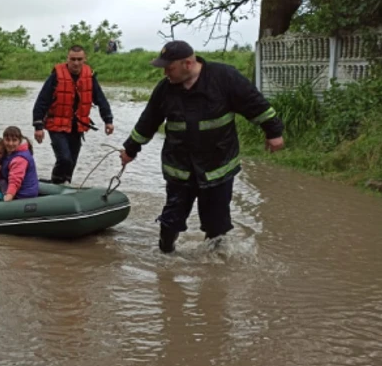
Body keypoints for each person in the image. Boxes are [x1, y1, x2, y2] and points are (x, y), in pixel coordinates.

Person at [119, 40, 285, 253]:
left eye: (169, 68)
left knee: (217, 223)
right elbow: (148, 121)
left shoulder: (225, 78)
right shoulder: (165, 89)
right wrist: (130, 150)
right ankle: (165, 258)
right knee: (171, 220)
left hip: (218, 166)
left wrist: (274, 132)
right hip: (179, 168)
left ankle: (213, 268)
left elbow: (255, 104)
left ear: (188, 63)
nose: (165, 74)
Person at [32, 45, 115, 184]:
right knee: (64, 159)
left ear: (84, 59)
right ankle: (56, 183)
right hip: (56, 124)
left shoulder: (89, 76)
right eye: (73, 59)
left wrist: (108, 120)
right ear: (67, 59)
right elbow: (42, 101)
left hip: (77, 126)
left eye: (79, 59)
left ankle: (64, 184)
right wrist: (38, 126)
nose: (76, 63)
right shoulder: (56, 76)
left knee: (72, 162)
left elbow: (101, 99)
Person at [0, 126, 39, 201]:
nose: (10, 143)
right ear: (3, 140)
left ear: (19, 141)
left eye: (14, 140)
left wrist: (8, 198)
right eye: (7, 140)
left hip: (23, 195)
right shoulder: (9, 152)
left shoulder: (19, 159)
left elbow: (15, 181)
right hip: (23, 191)